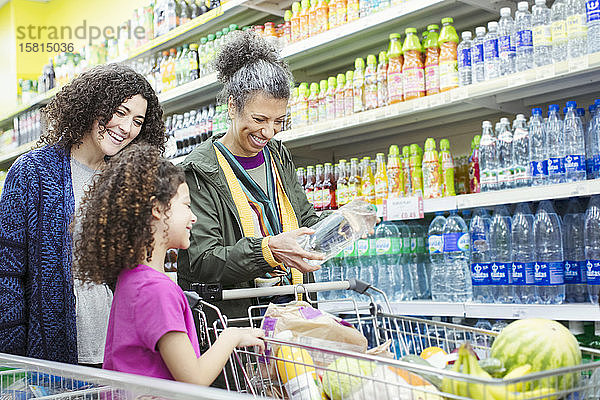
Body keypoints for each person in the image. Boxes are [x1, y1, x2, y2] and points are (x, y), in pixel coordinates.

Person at [0, 63, 166, 365]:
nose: (127, 128)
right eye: (120, 111)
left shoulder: (126, 181)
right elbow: (7, 273)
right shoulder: (33, 171)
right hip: (49, 353)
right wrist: (13, 359)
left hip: (116, 349)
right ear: (92, 105)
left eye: (138, 121)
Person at [74, 144, 264, 384]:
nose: (193, 216)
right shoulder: (156, 290)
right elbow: (193, 378)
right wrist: (231, 336)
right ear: (157, 209)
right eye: (186, 205)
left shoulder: (132, 277)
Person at [177, 30, 326, 321]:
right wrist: (269, 250)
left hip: (294, 313)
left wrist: (338, 228)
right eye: (259, 119)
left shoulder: (278, 156)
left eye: (279, 121)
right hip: (237, 323)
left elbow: (305, 220)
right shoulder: (200, 170)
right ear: (232, 107)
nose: (268, 132)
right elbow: (202, 261)